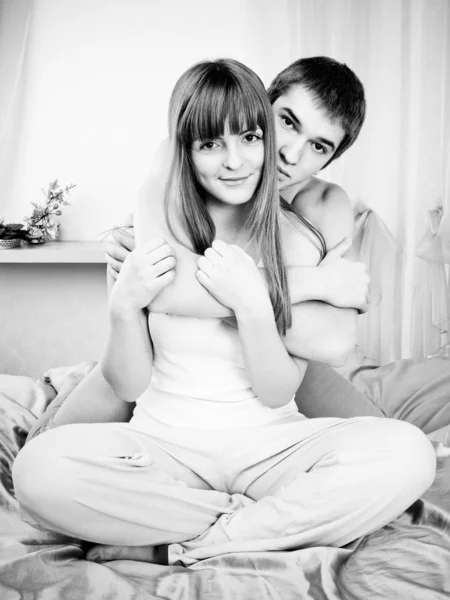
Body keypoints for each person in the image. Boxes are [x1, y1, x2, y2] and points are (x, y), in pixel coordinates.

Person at [13, 59, 435, 567]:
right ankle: (267, 520)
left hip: (275, 420)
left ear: (331, 158)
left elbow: (328, 345)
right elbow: (166, 296)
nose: (288, 152)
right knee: (38, 466)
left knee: (406, 453)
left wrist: (243, 299)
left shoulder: (316, 211)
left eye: (318, 147)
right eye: (286, 122)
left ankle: (185, 537)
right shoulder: (173, 170)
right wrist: (313, 284)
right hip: (165, 419)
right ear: (259, 106)